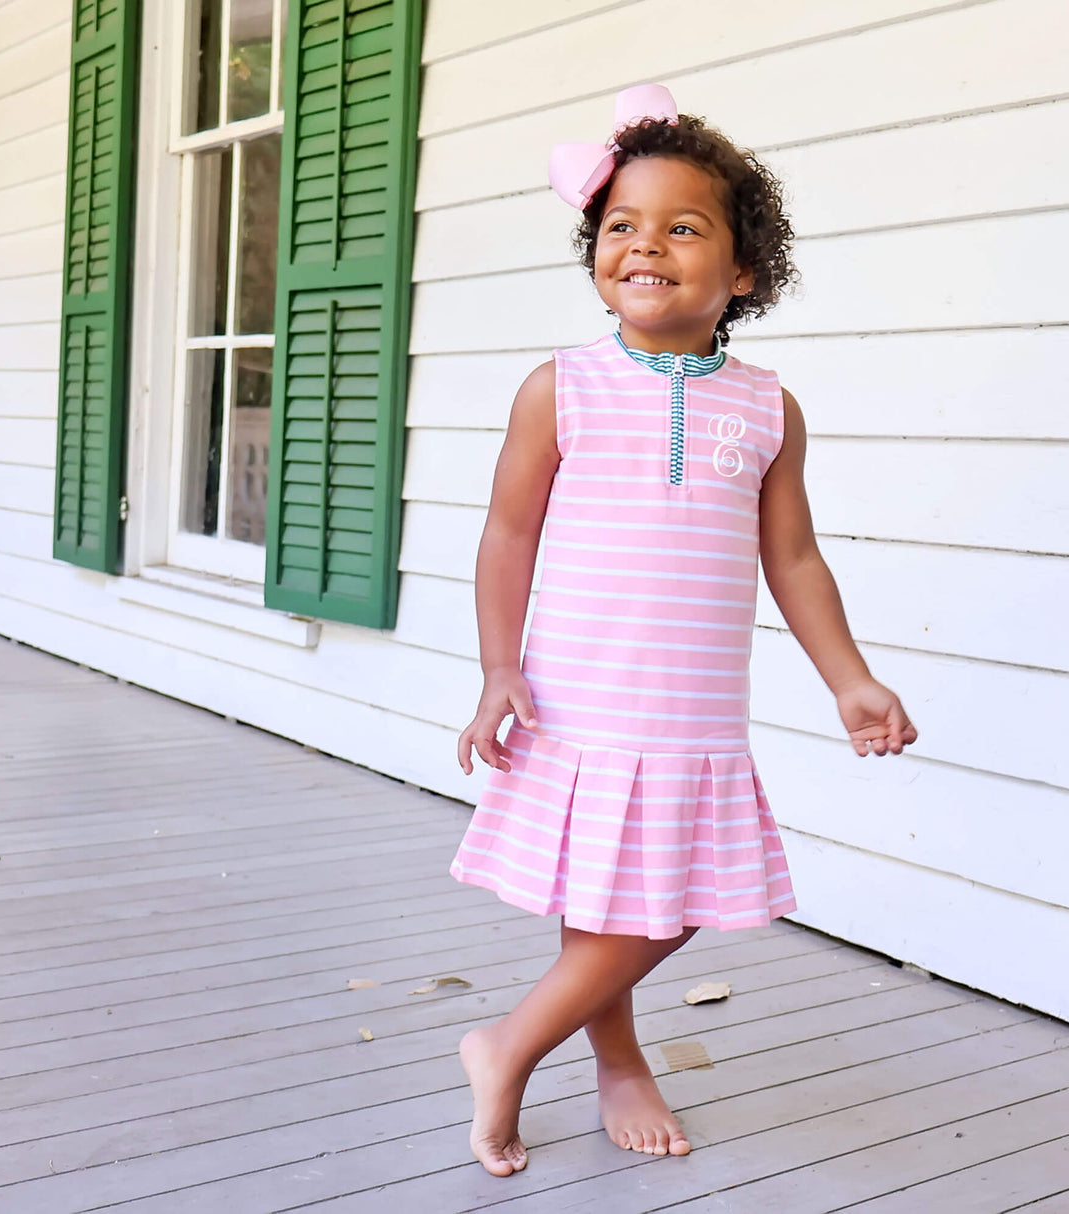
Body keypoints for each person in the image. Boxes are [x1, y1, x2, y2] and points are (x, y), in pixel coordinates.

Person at [451, 84, 918, 1177]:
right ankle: (561, 1053)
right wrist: (493, 668)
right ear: (593, 253)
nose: (643, 244)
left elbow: (791, 558)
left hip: (693, 699)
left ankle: (512, 1039)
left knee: (664, 895)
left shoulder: (765, 407)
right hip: (578, 686)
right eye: (619, 225)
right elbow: (505, 535)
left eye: (680, 226)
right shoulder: (557, 388)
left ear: (743, 270)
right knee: (609, 887)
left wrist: (847, 678)